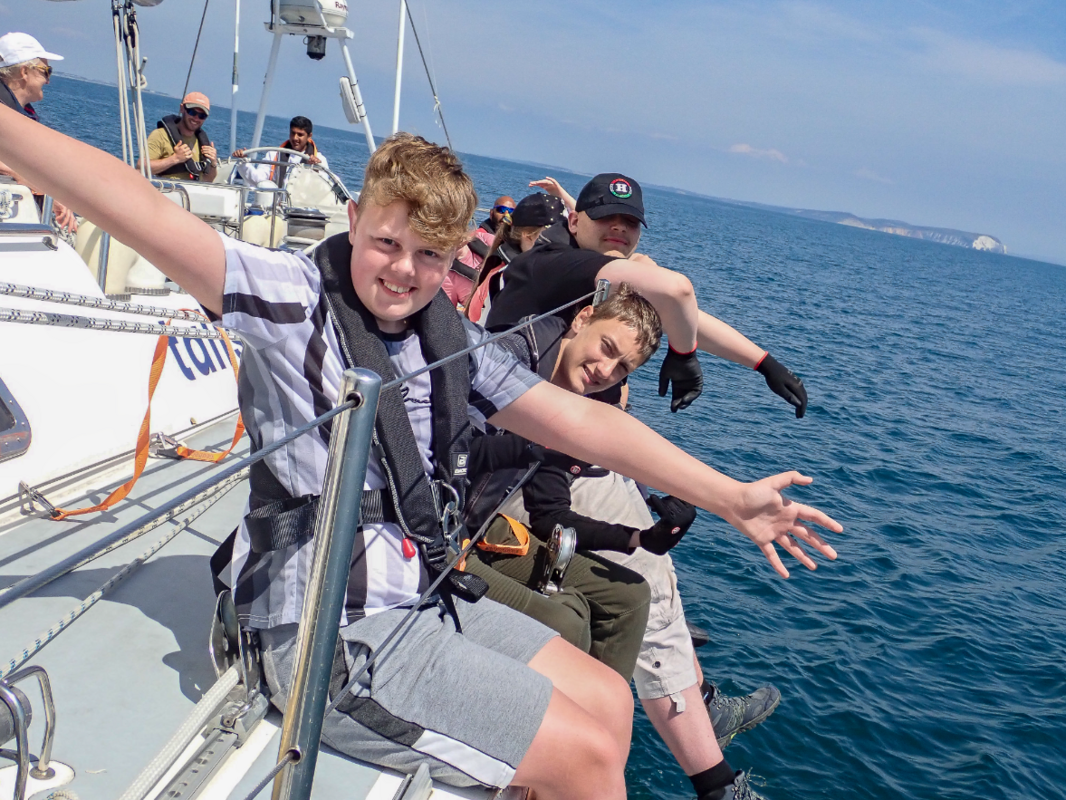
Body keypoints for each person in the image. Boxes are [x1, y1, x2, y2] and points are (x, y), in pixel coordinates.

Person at [0, 110, 843, 800]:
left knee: (608, 701)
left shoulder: (450, 341)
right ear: (357, 220)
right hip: (325, 629)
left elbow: (583, 425)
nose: (403, 273)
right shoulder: (288, 297)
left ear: (451, 257)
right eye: (387, 244)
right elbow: (123, 201)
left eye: (430, 256)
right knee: (587, 763)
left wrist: (731, 497)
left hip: (421, 593)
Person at [468, 286, 783, 785]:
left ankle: (598, 762)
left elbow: (552, 515)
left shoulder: (579, 399)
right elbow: (460, 454)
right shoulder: (513, 356)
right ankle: (563, 761)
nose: (605, 370)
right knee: (568, 620)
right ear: (582, 318)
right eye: (607, 350)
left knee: (633, 592)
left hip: (488, 524)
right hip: (452, 536)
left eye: (620, 369)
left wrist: (641, 539)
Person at [486, 173, 809, 418]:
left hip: (550, 421)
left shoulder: (596, 270)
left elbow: (680, 313)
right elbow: (676, 291)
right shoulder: (552, 262)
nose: (619, 227)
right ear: (573, 221)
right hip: (501, 422)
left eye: (630, 221)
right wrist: (683, 356)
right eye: (605, 217)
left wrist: (764, 363)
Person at [0, 32, 77, 234]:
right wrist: (22, 175)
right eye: (46, 71)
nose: (48, 80)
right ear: (24, 72)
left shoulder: (24, 114)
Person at [461, 192, 565, 322]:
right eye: (555, 236)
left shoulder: (500, 263)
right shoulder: (507, 278)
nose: (562, 245)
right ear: (528, 235)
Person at [231, 115, 328, 188]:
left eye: (300, 135)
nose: (295, 138)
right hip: (276, 208)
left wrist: (316, 169)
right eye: (293, 133)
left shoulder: (319, 160)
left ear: (309, 136)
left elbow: (324, 188)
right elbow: (258, 180)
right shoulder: (273, 155)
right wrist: (243, 162)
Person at [143, 91, 218, 182]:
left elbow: (208, 181)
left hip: (195, 193)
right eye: (192, 112)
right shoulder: (160, 135)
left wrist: (213, 163)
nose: (196, 118)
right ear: (182, 109)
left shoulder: (201, 142)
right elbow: (141, 168)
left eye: (202, 116)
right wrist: (175, 159)